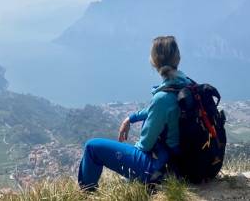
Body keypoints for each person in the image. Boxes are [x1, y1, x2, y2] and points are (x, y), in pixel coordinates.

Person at [78, 35, 191, 190]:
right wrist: (131, 118)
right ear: (178, 58)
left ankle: (87, 194)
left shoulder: (162, 98)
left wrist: (128, 159)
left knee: (92, 147)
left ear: (154, 61)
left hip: (162, 167)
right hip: (183, 161)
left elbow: (145, 145)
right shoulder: (186, 84)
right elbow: (161, 110)